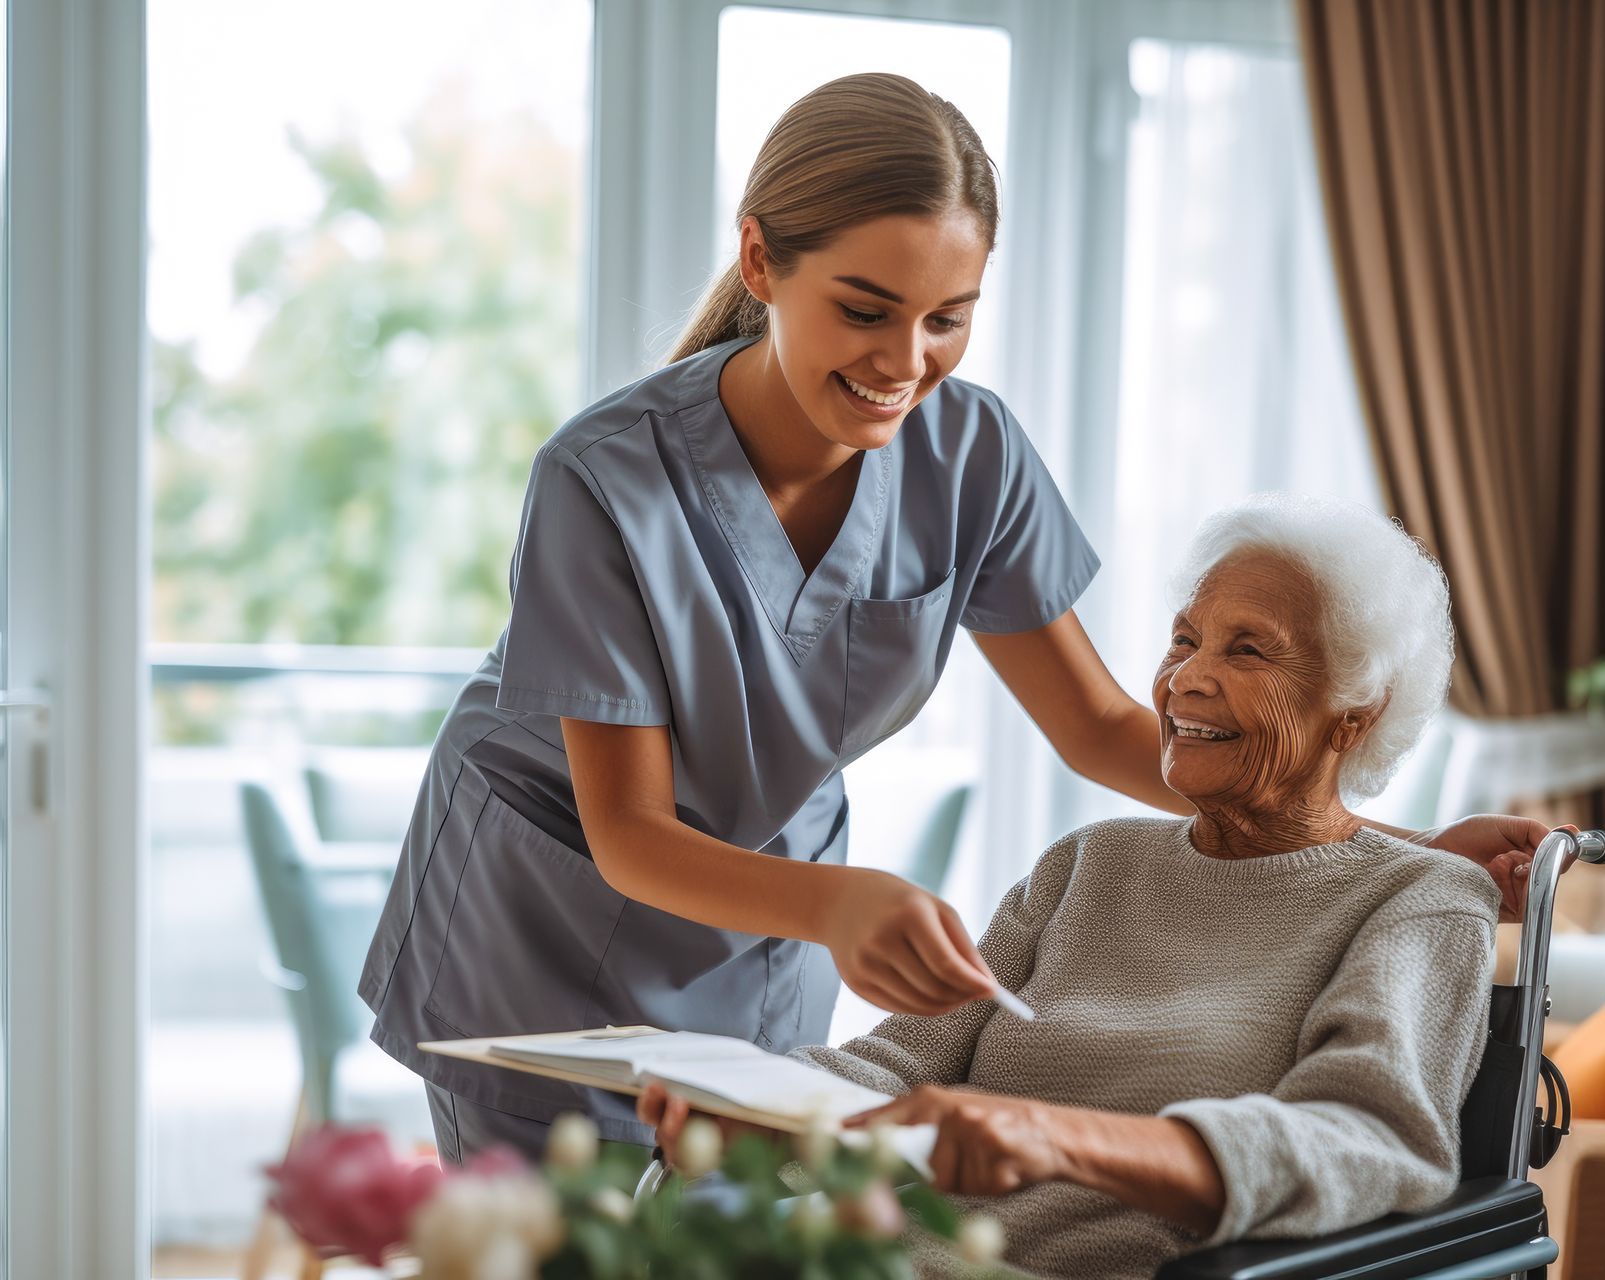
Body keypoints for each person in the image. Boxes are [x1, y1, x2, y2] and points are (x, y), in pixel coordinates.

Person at [358, 73, 1544, 1168]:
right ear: (762, 262)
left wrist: (1376, 856)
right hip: (552, 914)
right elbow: (627, 829)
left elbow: (1094, 724)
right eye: (866, 310)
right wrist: (839, 904)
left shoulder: (971, 454)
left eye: (947, 318)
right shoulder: (603, 478)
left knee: (744, 1224)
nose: (905, 362)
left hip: (763, 910)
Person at [646, 494, 1502, 1279]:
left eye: (1248, 650)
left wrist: (1057, 1138)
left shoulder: (1420, 900)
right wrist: (764, 1109)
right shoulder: (1089, 864)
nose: (1186, 680)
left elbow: (1367, 1140)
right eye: (1183, 639)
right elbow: (899, 1063)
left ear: (1357, 709)